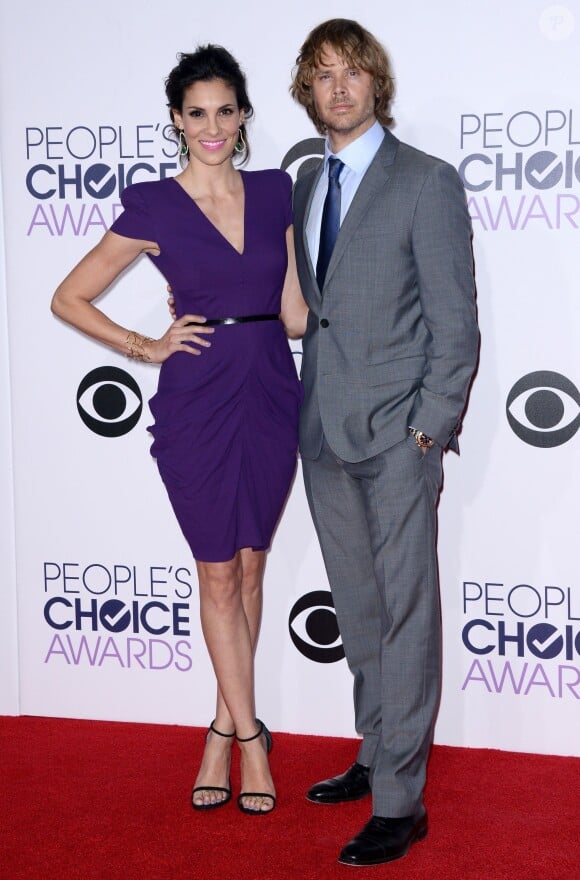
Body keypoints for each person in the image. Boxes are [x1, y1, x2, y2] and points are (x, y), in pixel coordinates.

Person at [51, 44, 306, 816]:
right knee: (218, 572)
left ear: (243, 116)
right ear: (176, 121)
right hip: (198, 396)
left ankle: (220, 730)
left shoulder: (276, 191)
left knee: (254, 565)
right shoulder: (154, 204)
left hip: (270, 387)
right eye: (197, 113)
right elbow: (70, 297)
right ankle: (251, 740)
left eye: (225, 110)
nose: (212, 126)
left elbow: (296, 312)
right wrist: (145, 346)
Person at [290, 19, 479, 866]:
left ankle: (403, 801)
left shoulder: (425, 182)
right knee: (361, 611)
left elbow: (456, 325)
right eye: (322, 74)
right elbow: (315, 314)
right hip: (323, 429)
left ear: (377, 82)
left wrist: (427, 431)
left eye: (353, 71)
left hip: (399, 436)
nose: (339, 87)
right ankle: (375, 750)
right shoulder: (307, 185)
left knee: (405, 616)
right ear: (308, 88)